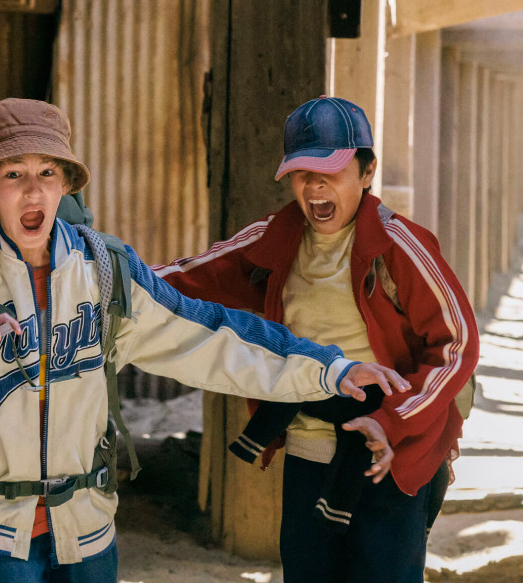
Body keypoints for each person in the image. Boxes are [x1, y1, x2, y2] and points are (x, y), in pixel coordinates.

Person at [0, 98, 408, 583]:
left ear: (66, 182)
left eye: (47, 173)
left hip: (88, 517)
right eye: (13, 173)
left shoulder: (104, 267)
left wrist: (329, 368)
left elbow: (211, 334)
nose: (32, 190)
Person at [155, 96, 479, 582]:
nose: (314, 185)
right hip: (309, 450)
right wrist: (102, 275)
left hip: (390, 454)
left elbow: (458, 345)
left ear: (366, 172)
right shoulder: (276, 238)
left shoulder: (398, 244)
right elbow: (182, 279)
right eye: (302, 173)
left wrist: (393, 420)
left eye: (330, 169)